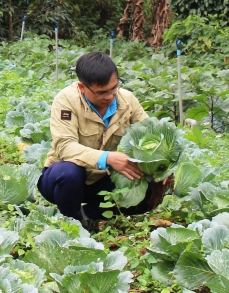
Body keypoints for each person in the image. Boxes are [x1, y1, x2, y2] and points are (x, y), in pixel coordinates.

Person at [38, 50, 156, 227]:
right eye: (101, 93)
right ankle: (71, 222)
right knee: (69, 173)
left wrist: (161, 165)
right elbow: (64, 146)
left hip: (105, 180)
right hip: (64, 180)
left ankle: (89, 214)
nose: (109, 97)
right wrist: (107, 158)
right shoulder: (66, 101)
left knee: (151, 187)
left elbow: (153, 133)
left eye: (114, 89)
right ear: (82, 87)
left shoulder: (127, 100)